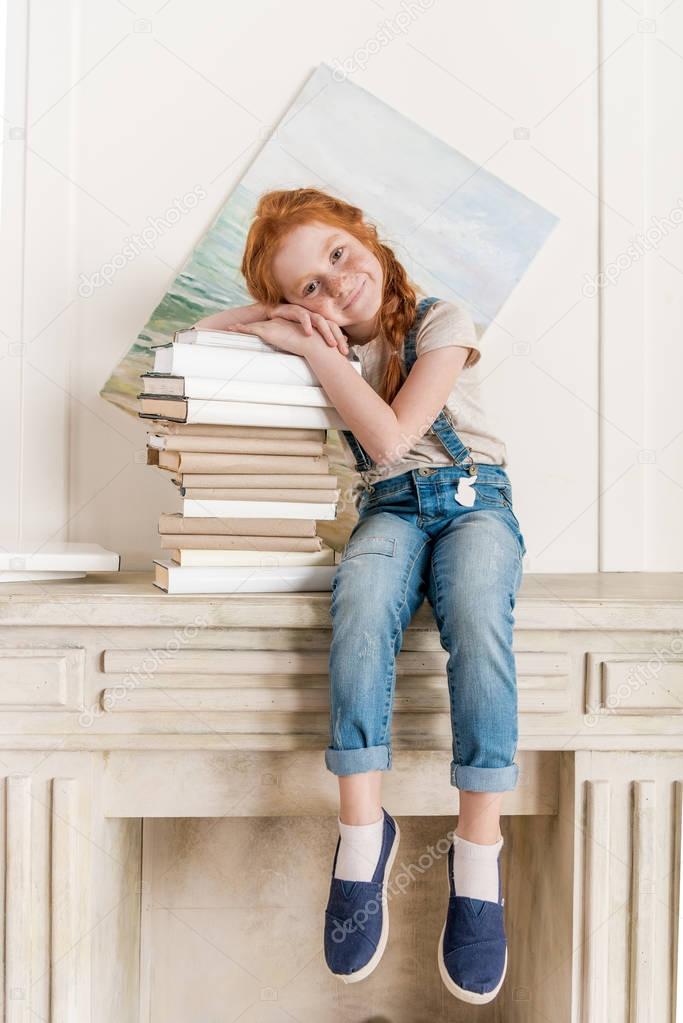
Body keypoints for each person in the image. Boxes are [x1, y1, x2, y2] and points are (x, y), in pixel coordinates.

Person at [193, 186, 527, 1005]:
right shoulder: (316, 333)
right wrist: (270, 320)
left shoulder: (442, 322)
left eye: (337, 255)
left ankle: (477, 854)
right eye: (307, 285)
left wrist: (312, 350)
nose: (334, 286)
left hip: (473, 499)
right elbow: (194, 338)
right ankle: (361, 837)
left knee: (480, 617)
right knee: (360, 610)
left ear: (365, 237)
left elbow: (389, 437)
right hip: (387, 510)